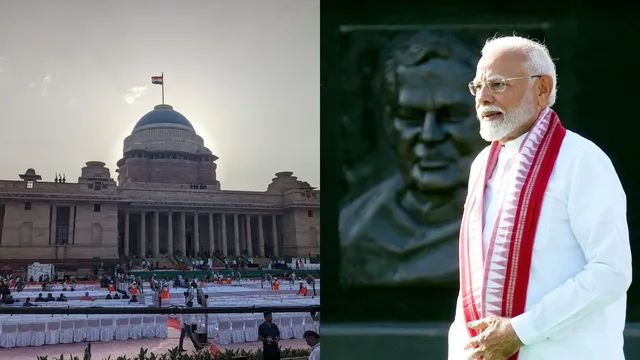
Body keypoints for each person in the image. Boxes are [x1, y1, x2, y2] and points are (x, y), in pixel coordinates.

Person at [448, 36, 632, 360]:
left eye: (497, 84)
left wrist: (520, 331)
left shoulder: (582, 161)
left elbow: (611, 272)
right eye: (477, 86)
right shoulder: (482, 166)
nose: (483, 98)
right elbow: (473, 286)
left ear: (542, 89)